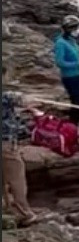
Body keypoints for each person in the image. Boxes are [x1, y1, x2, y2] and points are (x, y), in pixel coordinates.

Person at [2, 68, 36, 223]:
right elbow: (17, 98)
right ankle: (24, 213)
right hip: (6, 144)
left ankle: (6, 208)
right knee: (16, 178)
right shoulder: (6, 96)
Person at [53, 15, 79, 126]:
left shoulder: (71, 40)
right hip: (70, 77)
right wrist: (77, 64)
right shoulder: (60, 43)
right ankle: (72, 126)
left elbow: (77, 58)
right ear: (70, 29)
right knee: (77, 104)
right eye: (76, 28)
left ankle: (73, 125)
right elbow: (60, 62)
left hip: (78, 75)